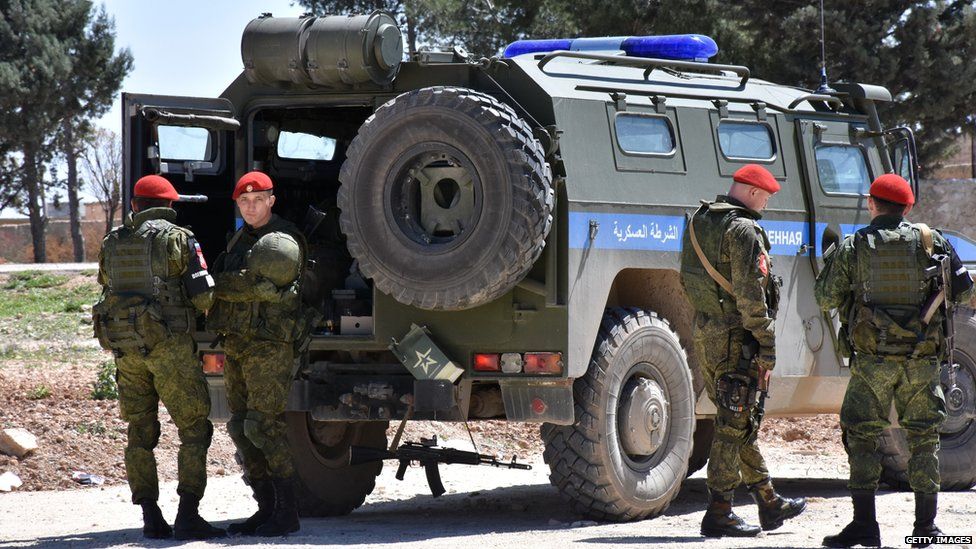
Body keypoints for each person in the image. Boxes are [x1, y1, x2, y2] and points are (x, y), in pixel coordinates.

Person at [816, 174, 974, 549]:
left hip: (873, 361)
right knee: (923, 437)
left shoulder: (855, 247)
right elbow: (965, 293)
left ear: (872, 204)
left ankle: (865, 527)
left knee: (863, 434)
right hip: (921, 358)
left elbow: (824, 299)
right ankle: (926, 528)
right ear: (907, 208)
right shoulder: (931, 240)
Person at [92, 174, 223, 540]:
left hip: (126, 349)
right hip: (170, 349)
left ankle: (150, 515)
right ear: (170, 207)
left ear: (134, 206)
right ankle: (188, 514)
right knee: (194, 428)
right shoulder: (179, 238)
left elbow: (107, 285)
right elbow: (203, 296)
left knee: (140, 431)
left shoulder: (112, 242)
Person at [679, 164, 807, 537]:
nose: (766, 204)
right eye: (765, 197)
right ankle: (719, 512)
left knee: (737, 418)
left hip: (707, 330)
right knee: (733, 424)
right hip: (738, 336)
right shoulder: (744, 230)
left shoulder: (700, 219)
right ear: (752, 192)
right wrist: (766, 343)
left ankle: (768, 502)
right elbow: (753, 297)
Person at [208, 171, 308, 537]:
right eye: (244, 201)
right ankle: (266, 508)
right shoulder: (239, 240)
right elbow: (245, 285)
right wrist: (237, 285)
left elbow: (261, 288)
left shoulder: (282, 240)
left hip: (269, 344)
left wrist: (221, 285)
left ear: (271, 200)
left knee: (263, 426)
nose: (251, 206)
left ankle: (288, 511)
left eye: (257, 199)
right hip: (237, 341)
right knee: (239, 426)